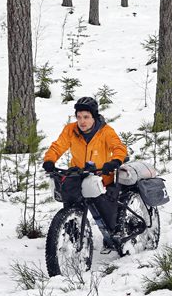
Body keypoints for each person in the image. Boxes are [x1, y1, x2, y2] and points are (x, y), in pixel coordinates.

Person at [42, 96, 128, 234]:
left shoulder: (105, 131)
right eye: (79, 117)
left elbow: (119, 147)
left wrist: (115, 161)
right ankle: (73, 234)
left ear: (94, 117)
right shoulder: (70, 130)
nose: (82, 121)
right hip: (79, 175)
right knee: (69, 199)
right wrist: (49, 160)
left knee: (109, 217)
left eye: (86, 117)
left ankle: (114, 234)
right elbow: (57, 147)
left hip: (102, 177)